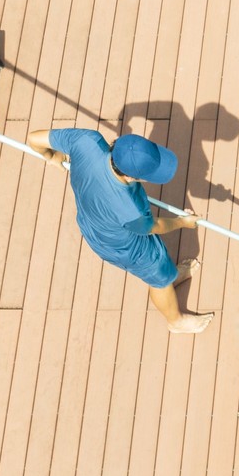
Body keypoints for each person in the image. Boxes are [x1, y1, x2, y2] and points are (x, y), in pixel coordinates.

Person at [28, 126, 213, 334]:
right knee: (158, 276)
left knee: (164, 268)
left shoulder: (86, 141)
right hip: (123, 246)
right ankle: (175, 321)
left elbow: (34, 138)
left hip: (91, 223)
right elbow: (153, 227)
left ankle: (171, 275)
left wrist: (50, 157)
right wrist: (182, 222)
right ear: (131, 178)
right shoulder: (129, 208)